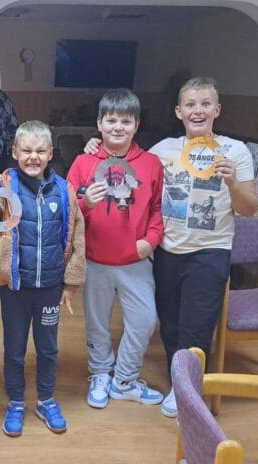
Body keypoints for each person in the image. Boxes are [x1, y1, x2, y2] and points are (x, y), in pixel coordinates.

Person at [83, 77, 257, 418]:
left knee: (197, 326)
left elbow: (249, 208)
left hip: (210, 250)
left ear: (217, 109)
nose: (198, 111)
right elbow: (126, 164)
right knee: (171, 325)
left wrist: (232, 182)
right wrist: (96, 147)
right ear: (179, 111)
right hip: (166, 251)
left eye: (205, 104)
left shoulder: (235, 151)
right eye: (190, 105)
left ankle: (187, 391)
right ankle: (178, 379)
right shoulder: (162, 150)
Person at [0, 120, 85, 437]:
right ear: (14, 151)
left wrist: (70, 285)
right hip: (15, 287)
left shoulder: (64, 191)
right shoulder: (4, 189)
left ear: (50, 153)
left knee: (48, 348)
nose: (33, 157)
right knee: (14, 349)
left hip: (50, 288)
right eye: (26, 150)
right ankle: (16, 402)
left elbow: (77, 237)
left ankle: (45, 400)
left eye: (40, 151)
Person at [66, 89, 164, 410]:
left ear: (136, 125)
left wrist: (150, 240)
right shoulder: (83, 162)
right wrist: (86, 204)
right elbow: (68, 211)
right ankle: (100, 373)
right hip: (95, 260)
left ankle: (124, 380)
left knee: (145, 320)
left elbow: (158, 209)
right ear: (99, 123)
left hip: (136, 259)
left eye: (126, 121)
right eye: (111, 120)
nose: (118, 127)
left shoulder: (151, 164)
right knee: (97, 322)